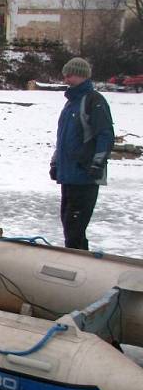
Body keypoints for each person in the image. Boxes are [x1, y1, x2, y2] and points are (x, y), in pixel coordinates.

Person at [50, 57, 114, 250]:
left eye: (70, 74)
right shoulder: (70, 104)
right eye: (65, 74)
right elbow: (63, 139)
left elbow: (105, 135)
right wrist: (55, 163)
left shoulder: (94, 101)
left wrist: (97, 164)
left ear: (81, 75)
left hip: (85, 176)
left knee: (74, 228)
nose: (66, 78)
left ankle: (77, 266)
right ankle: (78, 260)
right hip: (68, 175)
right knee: (69, 226)